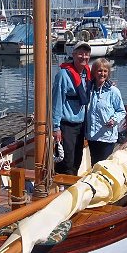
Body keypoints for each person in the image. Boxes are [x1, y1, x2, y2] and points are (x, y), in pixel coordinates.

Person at [52, 41, 92, 175]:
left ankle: (72, 185)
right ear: (73, 55)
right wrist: (56, 127)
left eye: (86, 54)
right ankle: (61, 189)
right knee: (67, 161)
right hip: (66, 125)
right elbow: (57, 102)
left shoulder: (87, 73)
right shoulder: (63, 75)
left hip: (80, 125)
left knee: (77, 159)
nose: (84, 57)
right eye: (80, 53)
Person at [86, 58, 126, 166]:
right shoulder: (89, 89)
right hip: (92, 135)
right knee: (94, 163)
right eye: (99, 71)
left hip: (106, 136)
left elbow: (121, 111)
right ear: (94, 72)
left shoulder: (113, 91)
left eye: (105, 71)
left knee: (103, 165)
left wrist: (114, 120)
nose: (102, 74)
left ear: (108, 73)